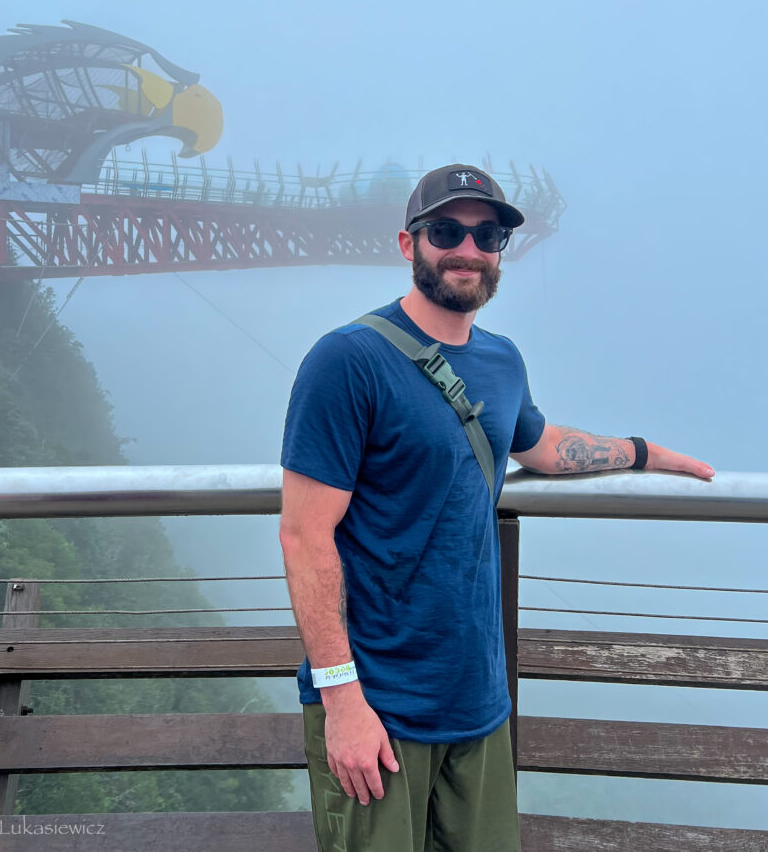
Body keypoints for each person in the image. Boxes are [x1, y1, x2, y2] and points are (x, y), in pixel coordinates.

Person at [279, 164, 714, 852]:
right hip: (378, 704)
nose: (468, 249)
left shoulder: (502, 361)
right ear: (408, 243)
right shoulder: (347, 360)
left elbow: (540, 446)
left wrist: (646, 452)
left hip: (477, 701)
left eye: (487, 236)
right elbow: (305, 538)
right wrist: (341, 700)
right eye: (446, 230)